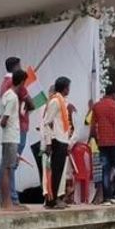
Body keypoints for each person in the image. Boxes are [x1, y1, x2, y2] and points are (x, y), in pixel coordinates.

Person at [0, 56, 35, 209]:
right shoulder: (16, 87)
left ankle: (6, 199)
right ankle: (12, 199)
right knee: (10, 165)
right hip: (17, 127)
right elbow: (32, 104)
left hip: (11, 130)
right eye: (19, 66)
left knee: (6, 164)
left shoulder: (3, 84)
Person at [90, 86, 115, 205]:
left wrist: (97, 139)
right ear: (114, 94)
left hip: (102, 142)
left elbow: (92, 127)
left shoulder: (96, 106)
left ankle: (106, 198)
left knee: (105, 169)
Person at [42, 76, 73, 209]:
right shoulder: (55, 101)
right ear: (64, 88)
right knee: (55, 172)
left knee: (59, 172)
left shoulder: (62, 101)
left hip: (63, 138)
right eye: (68, 87)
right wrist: (48, 143)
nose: (69, 89)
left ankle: (55, 199)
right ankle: (52, 200)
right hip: (57, 139)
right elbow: (47, 123)